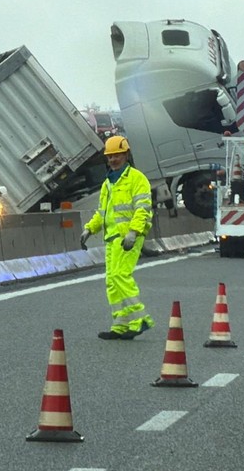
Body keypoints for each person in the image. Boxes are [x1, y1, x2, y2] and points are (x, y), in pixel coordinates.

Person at [80, 136, 155, 340]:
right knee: (112, 281)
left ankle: (140, 319)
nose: (113, 160)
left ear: (126, 155)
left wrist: (133, 232)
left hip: (128, 237)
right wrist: (89, 229)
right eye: (110, 156)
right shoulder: (108, 183)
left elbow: (143, 209)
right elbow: (102, 213)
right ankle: (121, 325)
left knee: (121, 275)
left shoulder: (137, 179)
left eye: (117, 155)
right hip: (111, 238)